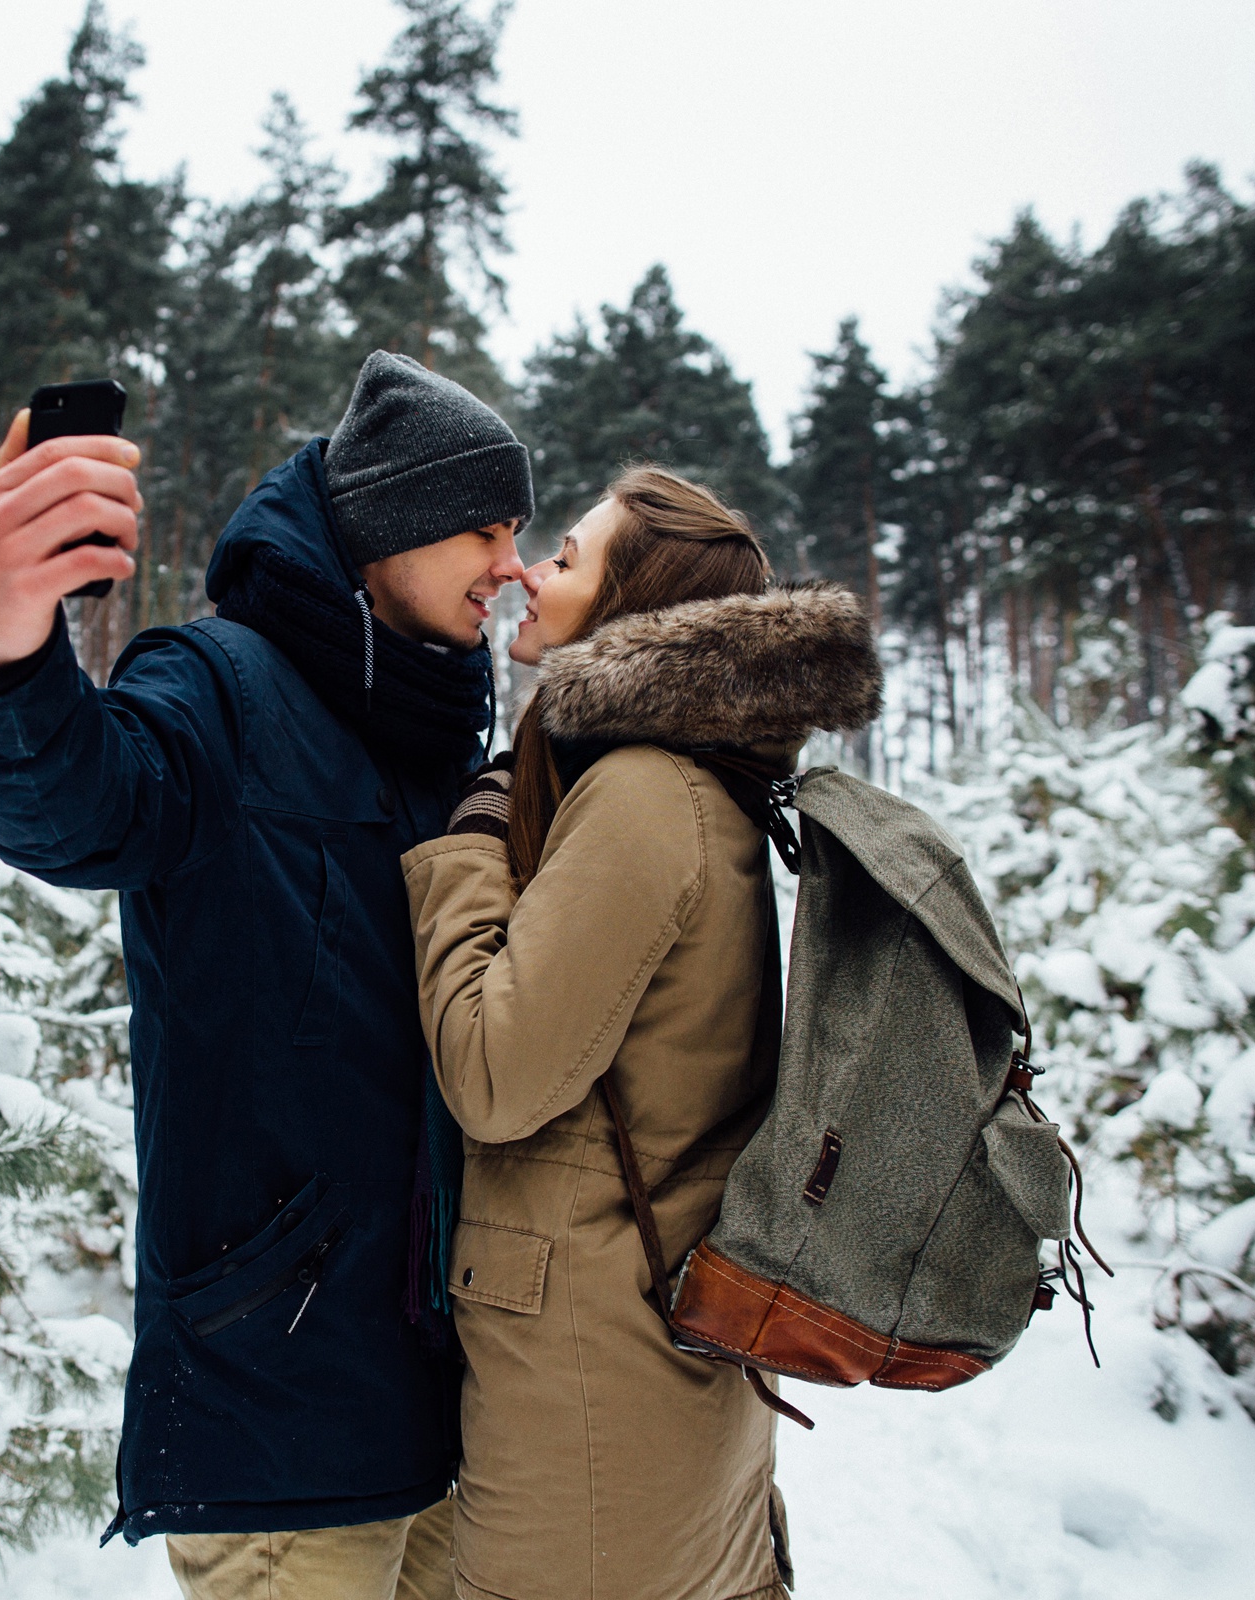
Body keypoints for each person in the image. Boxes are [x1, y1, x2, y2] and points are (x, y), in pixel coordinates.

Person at [0, 350, 535, 1600]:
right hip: (281, 1407)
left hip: (453, 1416)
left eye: (518, 528)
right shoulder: (218, 684)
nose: (509, 563)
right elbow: (76, 800)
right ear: (385, 528)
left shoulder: (436, 740)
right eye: (480, 523)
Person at [402, 467, 881, 1600]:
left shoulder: (644, 796)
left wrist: (467, 848)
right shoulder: (692, 786)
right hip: (653, 1371)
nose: (526, 569)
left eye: (565, 557)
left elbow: (494, 1073)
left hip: (593, 1402)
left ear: (634, 610)